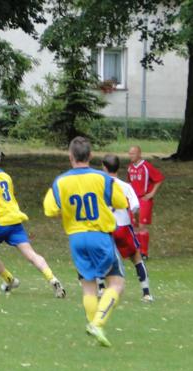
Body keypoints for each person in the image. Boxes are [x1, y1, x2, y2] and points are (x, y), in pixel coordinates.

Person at [43, 137, 128, 347]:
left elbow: (50, 209)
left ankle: (94, 327)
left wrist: (66, 211)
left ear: (70, 156)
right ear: (90, 156)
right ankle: (98, 324)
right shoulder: (103, 178)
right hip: (99, 236)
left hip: (76, 239)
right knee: (116, 283)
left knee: (88, 287)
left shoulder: (60, 181)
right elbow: (121, 202)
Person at [0, 147, 66, 298]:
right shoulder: (6, 177)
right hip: (14, 221)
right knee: (31, 254)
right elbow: (0, 201)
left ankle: (10, 280)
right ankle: (52, 279)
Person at [100, 154, 153, 302]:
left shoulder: (99, 185)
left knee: (100, 258)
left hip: (105, 227)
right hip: (123, 227)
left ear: (104, 167)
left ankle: (101, 288)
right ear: (118, 168)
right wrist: (133, 217)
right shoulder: (126, 186)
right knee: (136, 258)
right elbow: (135, 206)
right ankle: (146, 293)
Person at [127, 145, 164, 259]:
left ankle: (144, 253)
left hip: (144, 199)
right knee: (134, 225)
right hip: (133, 200)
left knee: (141, 225)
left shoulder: (146, 166)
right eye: (129, 153)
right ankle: (136, 251)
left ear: (139, 154)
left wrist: (151, 193)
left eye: (133, 153)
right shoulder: (130, 167)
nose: (130, 156)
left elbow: (159, 178)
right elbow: (129, 182)